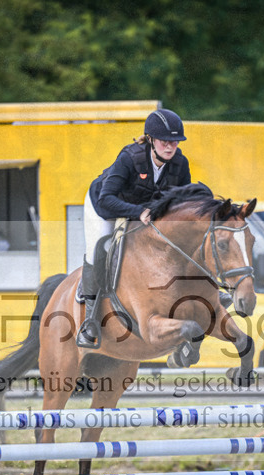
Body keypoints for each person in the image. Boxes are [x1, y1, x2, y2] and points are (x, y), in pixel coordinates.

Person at [76, 108, 191, 348]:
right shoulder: (130, 158)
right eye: (164, 141)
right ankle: (89, 322)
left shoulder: (180, 164)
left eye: (175, 142)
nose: (170, 147)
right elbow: (107, 198)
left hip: (145, 212)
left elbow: (184, 202)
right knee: (101, 247)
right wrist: (137, 212)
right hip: (104, 205)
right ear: (150, 140)